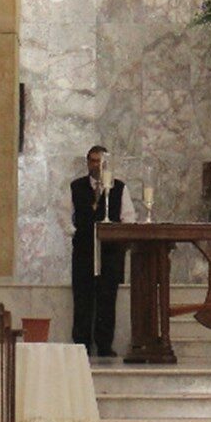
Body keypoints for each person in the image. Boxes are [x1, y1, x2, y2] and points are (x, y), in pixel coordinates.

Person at [71, 145, 135, 357]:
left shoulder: (119, 188)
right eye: (92, 160)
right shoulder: (76, 187)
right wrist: (76, 233)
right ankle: (81, 344)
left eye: (100, 161)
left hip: (110, 253)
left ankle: (105, 345)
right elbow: (65, 216)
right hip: (84, 251)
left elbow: (128, 218)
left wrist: (118, 238)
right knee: (83, 298)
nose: (95, 165)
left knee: (108, 299)